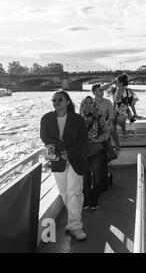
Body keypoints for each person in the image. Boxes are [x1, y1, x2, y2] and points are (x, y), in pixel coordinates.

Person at [40, 90, 89, 241]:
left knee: (74, 191)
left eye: (59, 100)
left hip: (76, 158)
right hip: (56, 157)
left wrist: (70, 153)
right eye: (53, 100)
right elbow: (44, 137)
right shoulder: (46, 118)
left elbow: (83, 140)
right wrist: (60, 150)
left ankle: (75, 226)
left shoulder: (78, 119)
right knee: (64, 192)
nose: (56, 102)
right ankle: (73, 221)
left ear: (67, 102)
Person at [80, 96, 110, 210]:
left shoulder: (100, 118)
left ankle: (94, 199)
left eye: (90, 103)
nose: (88, 105)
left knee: (97, 177)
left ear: (94, 105)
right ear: (82, 105)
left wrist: (98, 139)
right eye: (85, 103)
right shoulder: (78, 119)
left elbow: (107, 132)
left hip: (97, 150)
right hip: (83, 152)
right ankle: (86, 200)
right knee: (85, 178)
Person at [101, 73, 139, 138]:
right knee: (110, 124)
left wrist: (135, 114)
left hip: (124, 110)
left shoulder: (128, 92)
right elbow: (101, 89)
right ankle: (117, 145)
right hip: (114, 110)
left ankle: (124, 129)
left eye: (117, 81)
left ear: (121, 83)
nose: (115, 82)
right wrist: (111, 83)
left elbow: (132, 104)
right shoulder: (114, 90)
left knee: (119, 119)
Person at [91, 83, 119, 153]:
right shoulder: (91, 102)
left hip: (106, 122)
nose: (102, 91)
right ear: (94, 92)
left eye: (102, 90)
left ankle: (117, 146)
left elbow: (111, 114)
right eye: (100, 90)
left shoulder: (108, 102)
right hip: (96, 124)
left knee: (111, 128)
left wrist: (111, 123)